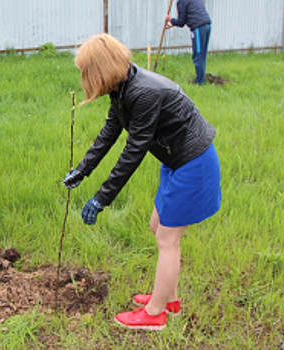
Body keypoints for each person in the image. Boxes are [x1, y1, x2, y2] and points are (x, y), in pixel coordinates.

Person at [63, 33, 221, 330]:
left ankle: (155, 313)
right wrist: (82, 170)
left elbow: (134, 150)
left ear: (99, 69)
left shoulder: (144, 93)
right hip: (176, 161)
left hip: (193, 164)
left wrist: (102, 198)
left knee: (167, 238)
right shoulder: (123, 86)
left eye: (85, 72)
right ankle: (169, 299)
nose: (84, 78)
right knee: (157, 226)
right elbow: (111, 131)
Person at [165, 0, 211, 85]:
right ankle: (200, 78)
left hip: (198, 27)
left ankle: (200, 81)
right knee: (202, 54)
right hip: (206, 25)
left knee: (198, 55)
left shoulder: (181, 2)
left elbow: (181, 22)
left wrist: (171, 19)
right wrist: (172, 23)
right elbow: (189, 15)